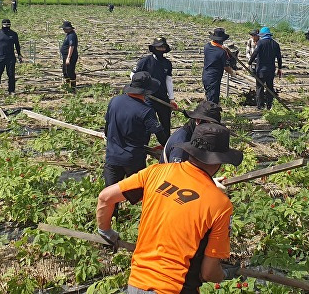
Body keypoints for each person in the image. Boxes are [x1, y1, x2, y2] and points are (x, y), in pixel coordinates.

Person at [96, 122, 243, 293]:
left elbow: (105, 197)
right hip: (175, 288)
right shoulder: (220, 204)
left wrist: (106, 231)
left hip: (137, 283)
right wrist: (224, 274)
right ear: (219, 162)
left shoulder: (156, 172)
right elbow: (209, 272)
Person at [104, 71, 169, 197]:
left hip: (112, 157)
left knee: (110, 197)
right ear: (146, 91)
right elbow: (160, 134)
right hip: (133, 159)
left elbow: (107, 130)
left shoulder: (115, 101)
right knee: (140, 196)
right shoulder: (146, 110)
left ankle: (113, 216)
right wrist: (167, 147)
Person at [133, 36, 177, 136]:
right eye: (158, 47)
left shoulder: (167, 63)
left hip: (163, 98)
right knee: (147, 124)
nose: (161, 49)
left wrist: (171, 98)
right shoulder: (145, 61)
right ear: (154, 48)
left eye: (163, 47)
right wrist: (140, 89)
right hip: (148, 98)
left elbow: (168, 80)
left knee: (166, 124)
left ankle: (166, 146)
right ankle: (144, 145)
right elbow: (133, 75)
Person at [248, 27, 282, 110]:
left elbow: (255, 53)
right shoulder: (275, 44)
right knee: (270, 87)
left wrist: (249, 62)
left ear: (262, 35)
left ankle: (260, 106)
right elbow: (279, 58)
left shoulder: (260, 43)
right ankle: (269, 105)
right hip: (271, 70)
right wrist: (280, 68)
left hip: (261, 70)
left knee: (260, 87)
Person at [202, 28, 235, 104]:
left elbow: (213, 46)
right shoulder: (222, 52)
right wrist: (232, 73)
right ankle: (210, 115)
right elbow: (226, 67)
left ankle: (208, 113)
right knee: (213, 100)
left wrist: (222, 47)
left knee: (208, 96)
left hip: (206, 75)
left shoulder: (207, 47)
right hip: (214, 78)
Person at [0, 19, 22, 95]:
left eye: (8, 24)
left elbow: (17, 45)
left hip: (10, 57)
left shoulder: (13, 34)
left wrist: (19, 55)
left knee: (11, 74)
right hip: (0, 57)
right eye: (5, 24)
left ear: (10, 25)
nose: (6, 26)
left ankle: (11, 90)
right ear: (2, 25)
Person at [60, 21, 79, 92]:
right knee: (65, 71)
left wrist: (68, 58)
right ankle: (67, 86)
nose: (63, 30)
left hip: (71, 56)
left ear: (68, 28)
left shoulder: (72, 35)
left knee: (70, 71)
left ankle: (73, 88)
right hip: (66, 56)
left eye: (64, 28)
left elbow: (71, 46)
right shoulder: (68, 34)